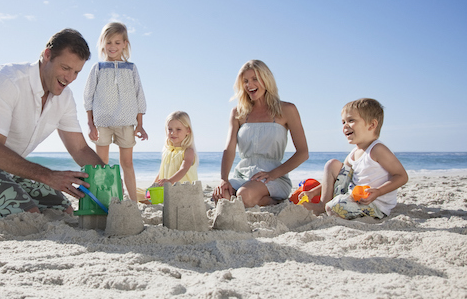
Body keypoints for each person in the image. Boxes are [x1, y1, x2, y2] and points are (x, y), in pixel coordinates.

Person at [0, 28, 105, 219]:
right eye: (65, 68)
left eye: (76, 72)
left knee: (62, 210)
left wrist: (109, 181)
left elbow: (80, 149)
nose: (70, 78)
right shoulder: (6, 80)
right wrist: (49, 176)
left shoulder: (65, 98)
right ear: (47, 55)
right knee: (27, 216)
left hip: (7, 166)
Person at [212, 60, 309, 207]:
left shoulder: (287, 109)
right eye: (245, 81)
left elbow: (303, 152)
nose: (249, 85)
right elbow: (229, 149)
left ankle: (276, 200)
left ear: (266, 80)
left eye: (255, 79)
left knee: (244, 195)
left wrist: (273, 174)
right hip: (243, 175)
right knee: (222, 197)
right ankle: (261, 202)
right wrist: (224, 179)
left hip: (272, 177)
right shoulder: (238, 112)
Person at [302, 98, 408, 219]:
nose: (345, 126)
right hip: (352, 197)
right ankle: (323, 204)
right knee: (332, 164)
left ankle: (326, 207)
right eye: (343, 122)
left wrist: (378, 191)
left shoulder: (378, 150)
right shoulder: (354, 153)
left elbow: (401, 176)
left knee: (335, 206)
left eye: (351, 120)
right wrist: (313, 192)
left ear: (372, 125)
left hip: (373, 204)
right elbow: (337, 178)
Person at [83, 22, 148, 201]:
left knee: (127, 163)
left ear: (125, 44)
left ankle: (133, 202)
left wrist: (140, 125)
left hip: (126, 123)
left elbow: (139, 96)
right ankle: (101, 200)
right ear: (103, 43)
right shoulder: (97, 68)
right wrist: (90, 125)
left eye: (117, 43)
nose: (113, 47)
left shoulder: (132, 69)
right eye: (109, 42)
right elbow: (88, 97)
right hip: (102, 123)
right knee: (101, 165)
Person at [153, 111, 198, 186]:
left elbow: (184, 169)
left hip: (184, 190)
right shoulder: (167, 151)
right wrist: (153, 185)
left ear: (188, 131)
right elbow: (161, 172)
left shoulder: (188, 151)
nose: (173, 133)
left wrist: (170, 181)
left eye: (178, 129)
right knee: (138, 193)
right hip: (168, 189)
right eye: (170, 129)